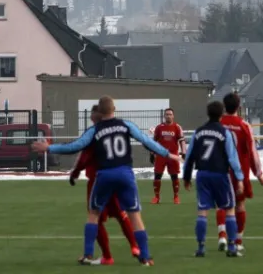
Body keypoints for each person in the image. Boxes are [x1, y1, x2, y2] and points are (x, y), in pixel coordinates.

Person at [32, 96, 181, 266]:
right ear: (114, 109)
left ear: (100, 112)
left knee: (93, 213)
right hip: (125, 174)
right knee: (134, 216)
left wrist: (49, 148)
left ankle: (88, 253)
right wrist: (169, 155)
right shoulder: (126, 125)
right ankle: (145, 256)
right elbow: (146, 141)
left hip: (105, 175)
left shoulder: (95, 130)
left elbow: (75, 146)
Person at [69, 104, 140, 265]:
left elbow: (84, 157)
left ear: (96, 115)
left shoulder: (94, 133)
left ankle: (106, 256)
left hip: (98, 180)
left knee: (96, 218)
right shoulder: (115, 129)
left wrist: (75, 172)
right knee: (121, 214)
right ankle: (135, 246)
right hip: (115, 177)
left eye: (93, 113)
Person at [183, 101, 245, 258]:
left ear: (207, 113)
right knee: (229, 209)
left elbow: (189, 156)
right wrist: (239, 178)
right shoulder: (225, 133)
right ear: (221, 114)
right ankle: (231, 247)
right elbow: (232, 157)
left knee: (202, 211)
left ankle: (201, 247)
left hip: (202, 174)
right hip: (220, 175)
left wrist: (187, 176)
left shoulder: (198, 132)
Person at [216, 93, 263, 251]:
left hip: (220, 171)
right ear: (239, 107)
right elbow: (252, 152)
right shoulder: (244, 126)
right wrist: (259, 174)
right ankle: (237, 241)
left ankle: (222, 236)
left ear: (224, 106)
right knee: (239, 204)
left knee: (221, 205)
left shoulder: (217, 124)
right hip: (239, 173)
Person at [150, 108, 186, 204]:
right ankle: (156, 197)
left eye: (170, 114)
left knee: (174, 176)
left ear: (173, 116)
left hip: (173, 155)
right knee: (157, 175)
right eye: (166, 114)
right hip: (161, 155)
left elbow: (182, 141)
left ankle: (176, 197)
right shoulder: (159, 127)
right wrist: (152, 153)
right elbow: (153, 142)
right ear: (164, 116)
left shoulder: (177, 127)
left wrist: (184, 152)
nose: (168, 116)